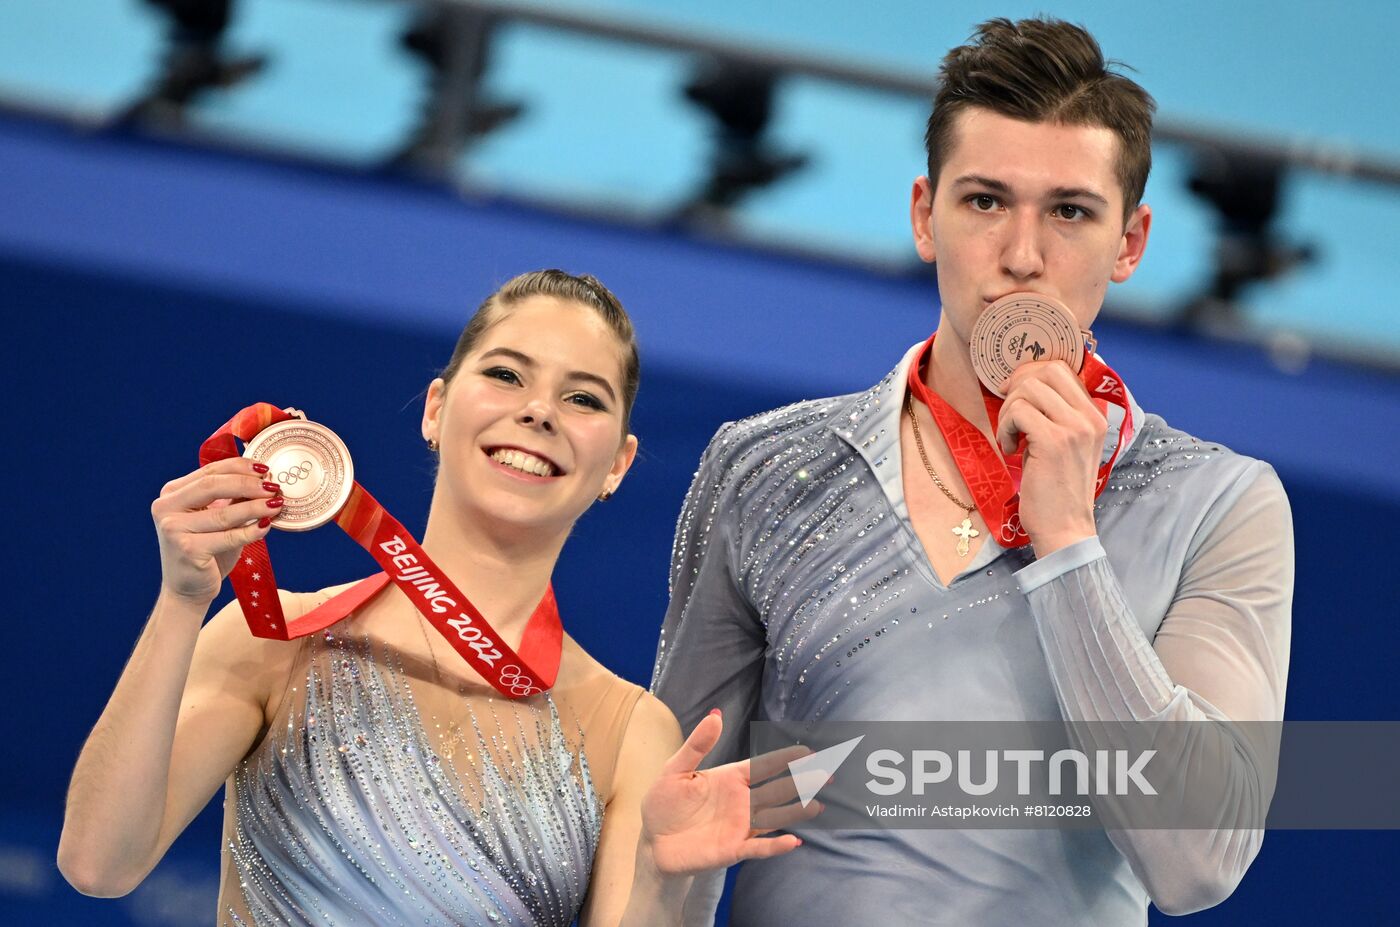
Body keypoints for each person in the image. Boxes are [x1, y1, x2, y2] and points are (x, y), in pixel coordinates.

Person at [651, 17, 1292, 926]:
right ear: (925, 215)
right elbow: (674, 829)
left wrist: (1068, 545)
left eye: (1070, 211)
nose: (1022, 255)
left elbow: (1198, 861)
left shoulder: (1218, 504)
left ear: (1130, 241)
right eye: (986, 201)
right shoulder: (766, 468)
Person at [58, 269, 813, 926]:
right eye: (507, 375)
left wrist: (657, 878)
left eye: (583, 397)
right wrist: (182, 600)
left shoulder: (629, 732)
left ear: (617, 464)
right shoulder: (275, 638)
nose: (539, 411)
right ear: (435, 408)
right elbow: (98, 863)